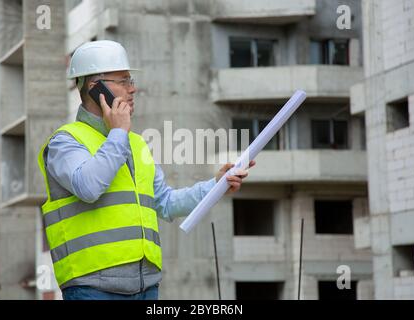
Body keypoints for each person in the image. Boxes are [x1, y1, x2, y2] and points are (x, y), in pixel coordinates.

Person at [37, 40, 255, 300]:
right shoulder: (66, 141)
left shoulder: (135, 143)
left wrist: (217, 185)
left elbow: (165, 203)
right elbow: (88, 186)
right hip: (93, 288)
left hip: (146, 287)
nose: (133, 88)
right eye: (124, 81)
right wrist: (118, 132)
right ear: (97, 89)